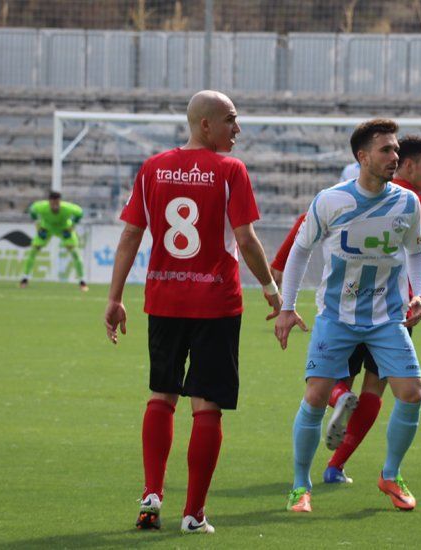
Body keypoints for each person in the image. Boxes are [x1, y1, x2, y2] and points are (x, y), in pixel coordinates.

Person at [103, 90, 282, 534]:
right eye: (231, 120)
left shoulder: (152, 168)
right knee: (208, 405)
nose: (237, 129)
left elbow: (129, 236)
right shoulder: (230, 170)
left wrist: (114, 297)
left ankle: (150, 495)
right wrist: (270, 286)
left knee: (161, 395)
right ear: (206, 125)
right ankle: (193, 514)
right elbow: (245, 239)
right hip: (216, 304)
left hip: (164, 300)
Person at [275, 119, 421, 513]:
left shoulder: (407, 203)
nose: (395, 157)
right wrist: (287, 308)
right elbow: (299, 251)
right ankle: (299, 486)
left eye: (396, 150)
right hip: (336, 316)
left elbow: (416, 252)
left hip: (387, 318)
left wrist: (420, 294)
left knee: (411, 393)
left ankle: (390, 475)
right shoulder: (330, 200)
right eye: (386, 150)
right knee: (315, 396)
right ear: (362, 157)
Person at [320, 135, 421, 485]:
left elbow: (309, 222)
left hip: (348, 302)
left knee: (335, 380)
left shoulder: (351, 193)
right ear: (407, 163)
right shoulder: (416, 204)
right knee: (375, 387)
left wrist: (280, 263)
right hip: (394, 311)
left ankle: (341, 397)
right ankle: (336, 465)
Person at [19, 191, 87, 291]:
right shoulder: (42, 207)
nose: (55, 205)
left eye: (57, 203)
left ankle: (82, 281)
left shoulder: (67, 208)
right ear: (49, 201)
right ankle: (25, 278)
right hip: (47, 228)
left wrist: (72, 227)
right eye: (53, 203)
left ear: (60, 201)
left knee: (74, 252)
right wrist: (37, 225)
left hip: (64, 228)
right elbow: (32, 210)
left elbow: (80, 213)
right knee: (34, 250)